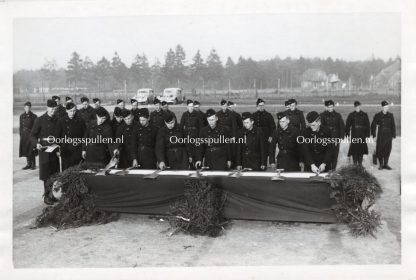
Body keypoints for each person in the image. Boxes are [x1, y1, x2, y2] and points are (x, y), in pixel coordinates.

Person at [30, 99, 60, 205]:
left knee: (55, 174)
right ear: (47, 108)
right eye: (52, 109)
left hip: (55, 150)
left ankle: (53, 195)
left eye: (55, 109)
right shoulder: (40, 120)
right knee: (46, 174)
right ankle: (47, 196)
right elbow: (32, 135)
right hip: (44, 150)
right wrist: (36, 144)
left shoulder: (58, 119)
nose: (53, 111)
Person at [56, 102, 86, 170]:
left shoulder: (80, 121)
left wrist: (84, 149)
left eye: (74, 111)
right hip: (66, 150)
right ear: (66, 110)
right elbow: (57, 136)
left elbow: (85, 136)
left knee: (78, 169)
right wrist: (58, 149)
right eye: (70, 111)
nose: (72, 113)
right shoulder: (61, 121)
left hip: (77, 149)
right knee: (66, 170)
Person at [320, 100, 345, 171]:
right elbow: (321, 128)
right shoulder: (322, 115)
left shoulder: (338, 115)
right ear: (326, 107)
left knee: (335, 155)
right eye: (329, 107)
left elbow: (342, 127)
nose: (330, 108)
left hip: (335, 138)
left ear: (333, 107)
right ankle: (327, 170)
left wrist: (340, 138)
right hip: (326, 138)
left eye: (331, 107)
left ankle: (333, 170)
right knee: (326, 155)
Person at [371, 100, 396, 170]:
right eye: (385, 107)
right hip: (381, 134)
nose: (386, 108)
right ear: (382, 107)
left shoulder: (391, 115)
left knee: (388, 149)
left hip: (389, 134)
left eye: (387, 107)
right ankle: (381, 164)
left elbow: (393, 125)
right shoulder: (378, 115)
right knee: (380, 149)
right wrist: (374, 135)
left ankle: (386, 164)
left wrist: (393, 134)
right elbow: (373, 126)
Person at [179, 99, 204, 168]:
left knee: (197, 152)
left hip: (196, 136)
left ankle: (198, 166)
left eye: (192, 106)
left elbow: (201, 127)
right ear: (187, 107)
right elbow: (181, 126)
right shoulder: (184, 114)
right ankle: (190, 166)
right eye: (189, 106)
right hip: (187, 136)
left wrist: (200, 137)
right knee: (188, 153)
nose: (191, 107)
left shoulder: (198, 114)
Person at [345, 101, 370, 166]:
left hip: (362, 134)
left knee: (361, 149)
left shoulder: (364, 114)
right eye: (356, 107)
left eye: (358, 106)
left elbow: (368, 125)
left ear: (360, 106)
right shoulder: (351, 115)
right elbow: (347, 125)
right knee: (354, 149)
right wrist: (347, 135)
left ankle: (360, 164)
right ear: (354, 107)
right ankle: (355, 164)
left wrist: (367, 136)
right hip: (354, 134)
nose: (357, 108)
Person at [19, 101, 37, 170]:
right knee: (26, 149)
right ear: (24, 108)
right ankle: (28, 164)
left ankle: (33, 164)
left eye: (28, 107)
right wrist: (21, 135)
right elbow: (21, 126)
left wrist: (34, 136)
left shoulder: (34, 116)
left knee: (31, 149)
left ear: (30, 108)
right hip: (24, 135)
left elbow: (35, 127)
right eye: (26, 107)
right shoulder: (21, 116)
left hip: (30, 135)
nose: (27, 109)